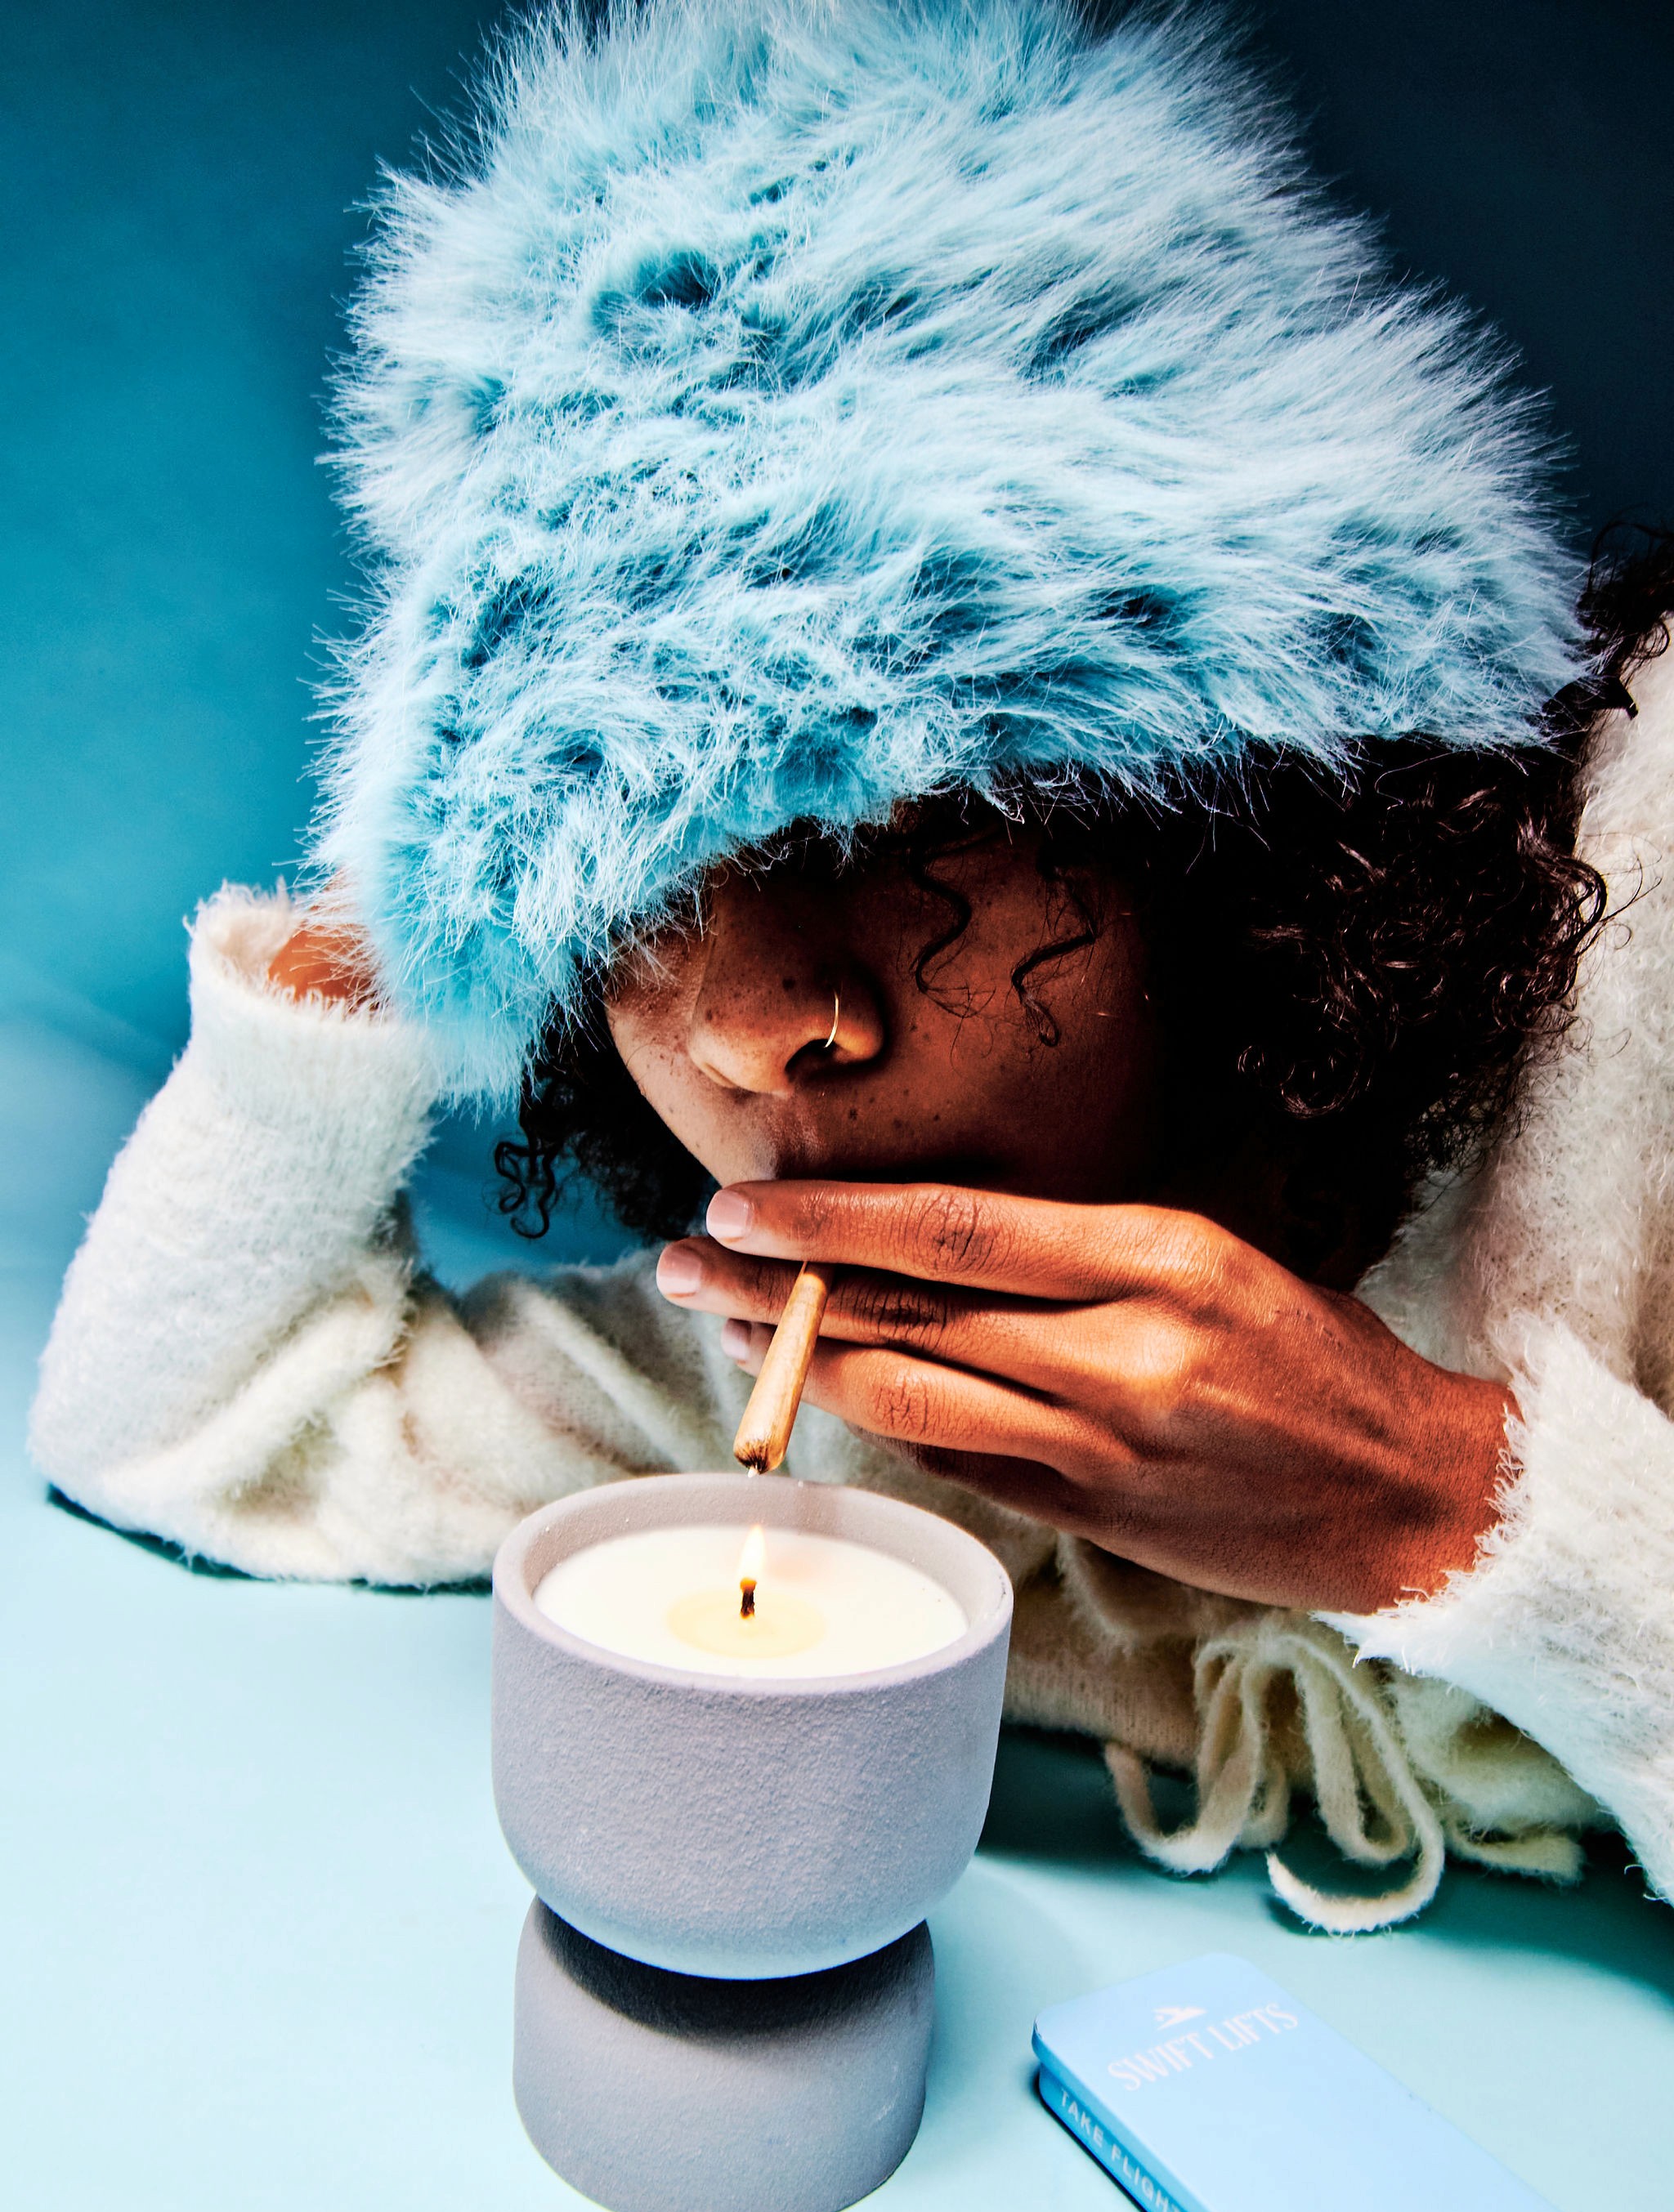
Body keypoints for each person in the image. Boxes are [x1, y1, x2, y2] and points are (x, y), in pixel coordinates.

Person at [29, 0, 1674, 1928]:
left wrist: (1447, 1508)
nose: (750, 1024)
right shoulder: (795, 1401)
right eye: (632, 895)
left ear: (1234, 807)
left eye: (892, 829)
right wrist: (436, 887)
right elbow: (184, 1428)